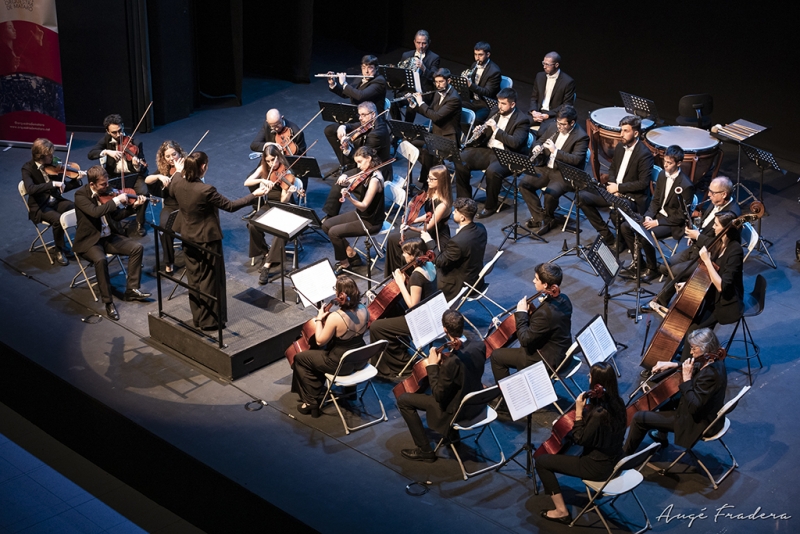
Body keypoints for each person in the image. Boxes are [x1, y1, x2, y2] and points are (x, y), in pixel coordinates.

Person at [170, 151, 265, 330]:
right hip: (206, 239)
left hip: (187, 236)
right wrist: (255, 195)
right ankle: (209, 322)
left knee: (194, 278)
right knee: (209, 279)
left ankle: (198, 318)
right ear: (203, 167)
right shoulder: (205, 190)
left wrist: (178, 170)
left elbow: (174, 180)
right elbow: (230, 206)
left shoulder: (177, 182)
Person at [535, 362, 626, 524]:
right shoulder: (618, 403)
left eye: (590, 375)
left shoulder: (599, 414)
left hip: (597, 467)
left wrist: (578, 412)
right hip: (617, 461)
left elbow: (579, 438)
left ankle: (561, 511)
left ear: (598, 384)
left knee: (542, 462)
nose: (588, 377)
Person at [397, 310, 486, 462]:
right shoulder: (479, 346)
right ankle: (453, 437)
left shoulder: (452, 362)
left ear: (445, 329)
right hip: (476, 405)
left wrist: (432, 366)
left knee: (404, 399)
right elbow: (464, 373)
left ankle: (425, 450)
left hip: (457, 411)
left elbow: (438, 395)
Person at [623, 328, 728, 456]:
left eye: (694, 348)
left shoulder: (710, 375)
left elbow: (694, 406)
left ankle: (623, 456)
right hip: (704, 412)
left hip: (696, 423)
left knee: (639, 418)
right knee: (667, 397)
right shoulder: (714, 361)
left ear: (705, 348)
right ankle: (661, 436)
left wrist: (687, 379)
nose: (690, 352)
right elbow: (697, 366)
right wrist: (673, 365)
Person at [649, 176, 740, 313]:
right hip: (697, 246)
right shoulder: (715, 202)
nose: (708, 194)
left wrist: (698, 236)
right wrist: (695, 233)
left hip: (709, 255)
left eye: (712, 192)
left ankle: (661, 302)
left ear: (724, 194)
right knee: (664, 266)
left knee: (675, 271)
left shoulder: (730, 214)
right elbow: (706, 226)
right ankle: (683, 290)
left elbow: (719, 244)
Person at [72, 166, 151, 321]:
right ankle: (108, 303)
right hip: (90, 241)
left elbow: (116, 216)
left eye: (107, 183)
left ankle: (132, 289)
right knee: (101, 260)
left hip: (107, 237)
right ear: (92, 184)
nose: (106, 187)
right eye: (102, 184)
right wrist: (116, 201)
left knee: (136, 248)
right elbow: (95, 212)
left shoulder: (108, 192)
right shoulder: (81, 195)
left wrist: (132, 208)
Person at [291, 275, 369, 417]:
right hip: (359, 359)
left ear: (340, 295)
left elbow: (320, 341)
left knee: (301, 358)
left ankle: (310, 402)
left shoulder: (336, 317)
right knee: (329, 350)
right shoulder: (364, 308)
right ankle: (350, 394)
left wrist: (320, 319)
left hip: (340, 364)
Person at [618, 145, 694, 283]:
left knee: (644, 235)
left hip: (672, 223)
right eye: (665, 161)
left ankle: (652, 269)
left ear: (679, 163)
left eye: (669, 163)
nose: (665, 165)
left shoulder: (686, 185)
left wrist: (657, 222)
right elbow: (656, 200)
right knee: (625, 226)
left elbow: (681, 216)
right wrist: (648, 215)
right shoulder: (661, 175)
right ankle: (639, 263)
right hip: (657, 216)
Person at [490, 263, 573, 388]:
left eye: (537, 279)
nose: (533, 281)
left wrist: (522, 313)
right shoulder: (564, 299)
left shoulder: (545, 313)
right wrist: (533, 313)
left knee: (496, 356)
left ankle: (508, 399)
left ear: (545, 285)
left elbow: (524, 339)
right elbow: (548, 325)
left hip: (545, 361)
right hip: (562, 354)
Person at [453, 87, 531, 218]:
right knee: (461, 159)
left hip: (508, 155)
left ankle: (490, 206)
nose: (499, 106)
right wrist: (480, 134)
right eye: (499, 102)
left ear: (513, 104)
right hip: (489, 150)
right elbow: (487, 136)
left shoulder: (522, 120)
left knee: (492, 171)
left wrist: (496, 130)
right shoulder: (495, 111)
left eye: (503, 103)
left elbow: (515, 143)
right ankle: (465, 201)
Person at [577, 115, 653, 246]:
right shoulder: (619, 147)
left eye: (625, 131)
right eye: (621, 130)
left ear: (635, 133)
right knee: (582, 197)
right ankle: (607, 236)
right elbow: (612, 169)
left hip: (632, 197)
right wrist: (613, 185)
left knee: (615, 211)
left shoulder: (644, 154)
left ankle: (621, 241)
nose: (621, 134)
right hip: (614, 190)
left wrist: (619, 188)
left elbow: (643, 183)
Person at [677, 211, 744, 359]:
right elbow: (706, 274)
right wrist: (688, 285)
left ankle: (687, 366)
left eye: (716, 224)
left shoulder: (735, 251)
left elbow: (722, 286)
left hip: (726, 302)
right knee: (690, 325)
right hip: (711, 296)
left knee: (694, 332)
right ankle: (687, 360)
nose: (713, 227)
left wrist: (707, 261)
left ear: (726, 229)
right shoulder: (718, 242)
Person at [369, 239, 438, 377]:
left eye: (406, 253)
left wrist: (400, 283)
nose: (403, 256)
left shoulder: (416, 276)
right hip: (430, 313)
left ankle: (394, 364)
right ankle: (396, 349)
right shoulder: (430, 264)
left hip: (419, 320)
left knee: (376, 326)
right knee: (391, 309)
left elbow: (413, 305)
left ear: (414, 255)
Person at [519, 105, 589, 236]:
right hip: (546, 167)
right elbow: (539, 140)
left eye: (563, 124)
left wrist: (555, 151)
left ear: (572, 123)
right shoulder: (552, 126)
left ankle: (547, 218)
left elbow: (576, 160)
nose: (559, 127)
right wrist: (537, 147)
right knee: (524, 184)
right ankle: (542, 218)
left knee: (550, 194)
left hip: (564, 173)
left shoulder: (581, 137)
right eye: (558, 123)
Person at [321, 101, 392, 219]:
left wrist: (348, 148)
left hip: (377, 169)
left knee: (340, 182)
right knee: (331, 129)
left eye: (364, 115)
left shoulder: (377, 134)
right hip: (366, 163)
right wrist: (343, 126)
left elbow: (363, 156)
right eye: (359, 115)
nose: (361, 118)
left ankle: (329, 216)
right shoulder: (371, 122)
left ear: (373, 114)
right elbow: (355, 126)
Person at [244, 145, 304, 284]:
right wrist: (262, 180)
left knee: (279, 232)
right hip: (269, 206)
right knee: (252, 225)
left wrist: (289, 191)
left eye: (273, 160)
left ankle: (268, 264)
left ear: (279, 156)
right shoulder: (264, 169)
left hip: (285, 207)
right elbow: (247, 182)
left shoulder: (287, 172)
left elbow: (284, 200)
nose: (272, 164)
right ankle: (266, 252)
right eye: (268, 161)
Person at [321, 146, 385, 273]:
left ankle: (344, 264)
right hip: (361, 215)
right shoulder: (367, 172)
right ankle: (351, 254)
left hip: (371, 222)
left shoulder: (375, 179)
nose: (359, 166)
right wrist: (346, 181)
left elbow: (364, 205)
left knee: (334, 232)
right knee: (326, 225)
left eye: (360, 162)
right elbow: (353, 178)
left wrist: (349, 197)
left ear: (369, 158)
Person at [21, 138, 84, 266]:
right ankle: (59, 249)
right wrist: (52, 184)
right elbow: (31, 189)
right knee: (58, 219)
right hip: (40, 206)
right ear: (41, 157)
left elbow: (63, 187)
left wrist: (77, 180)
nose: (53, 157)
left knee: (76, 209)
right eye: (50, 155)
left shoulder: (54, 165)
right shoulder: (27, 169)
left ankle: (82, 242)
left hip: (55, 201)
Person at [383, 164, 452, 277]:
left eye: (431, 178)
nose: (427, 180)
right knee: (392, 239)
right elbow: (428, 215)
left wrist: (409, 227)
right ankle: (394, 275)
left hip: (435, 235)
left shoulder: (443, 204)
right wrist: (411, 220)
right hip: (426, 230)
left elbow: (428, 226)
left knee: (400, 243)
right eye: (428, 177)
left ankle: (407, 275)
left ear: (440, 181)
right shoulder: (431, 192)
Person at [87, 114, 150, 237]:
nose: (118, 135)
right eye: (114, 132)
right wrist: (106, 151)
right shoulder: (106, 140)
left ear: (122, 127)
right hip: (113, 176)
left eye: (120, 131)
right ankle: (115, 224)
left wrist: (136, 164)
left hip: (133, 175)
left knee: (143, 192)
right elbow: (91, 154)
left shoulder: (135, 142)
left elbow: (142, 168)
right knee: (103, 195)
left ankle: (140, 222)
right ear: (108, 131)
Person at [323, 55, 387, 171]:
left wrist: (345, 84)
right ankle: (347, 163)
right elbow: (347, 93)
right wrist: (334, 84)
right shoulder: (360, 78)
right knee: (330, 130)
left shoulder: (379, 82)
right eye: (364, 67)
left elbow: (360, 95)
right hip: (358, 118)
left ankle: (352, 162)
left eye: (370, 67)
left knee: (349, 135)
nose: (366, 71)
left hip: (371, 122)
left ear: (376, 68)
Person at [422, 197, 487, 302]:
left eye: (455, 211)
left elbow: (439, 261)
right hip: (475, 278)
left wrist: (429, 241)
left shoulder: (457, 242)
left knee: (423, 273)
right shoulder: (481, 228)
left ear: (462, 217)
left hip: (459, 284)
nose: (452, 213)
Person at [410, 68, 462, 183]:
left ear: (449, 81)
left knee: (427, 151)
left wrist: (421, 102)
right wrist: (414, 105)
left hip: (448, 137)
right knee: (411, 143)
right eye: (436, 82)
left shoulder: (454, 98)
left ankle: (427, 182)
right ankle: (436, 171)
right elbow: (430, 112)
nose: (438, 85)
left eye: (441, 82)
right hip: (436, 133)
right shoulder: (439, 93)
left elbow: (436, 116)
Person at [144, 140, 187, 273]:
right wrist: (158, 176)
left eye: (174, 154)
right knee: (164, 227)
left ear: (179, 152)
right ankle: (169, 262)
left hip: (186, 206)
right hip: (170, 206)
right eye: (167, 156)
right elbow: (147, 180)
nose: (171, 159)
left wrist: (180, 173)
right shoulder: (164, 170)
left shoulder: (188, 166)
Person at [391, 29, 441, 123]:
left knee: (411, 105)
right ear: (414, 42)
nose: (421, 46)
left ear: (429, 43)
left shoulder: (434, 58)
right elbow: (400, 75)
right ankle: (398, 127)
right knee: (393, 103)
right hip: (407, 90)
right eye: (418, 43)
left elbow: (434, 77)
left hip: (423, 93)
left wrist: (424, 68)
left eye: (424, 43)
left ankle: (407, 130)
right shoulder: (406, 55)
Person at [529, 52, 576, 133]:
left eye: (547, 64)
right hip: (538, 111)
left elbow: (567, 105)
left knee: (541, 133)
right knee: (519, 124)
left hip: (553, 115)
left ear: (556, 65)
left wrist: (548, 115)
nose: (544, 66)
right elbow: (534, 97)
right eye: (543, 63)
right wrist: (534, 111)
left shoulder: (568, 82)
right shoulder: (539, 76)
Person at [461, 41, 501, 124]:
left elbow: (488, 92)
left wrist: (470, 85)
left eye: (480, 55)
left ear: (488, 55)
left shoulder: (494, 71)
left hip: (485, 104)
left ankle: (472, 136)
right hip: (473, 101)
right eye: (475, 54)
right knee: (454, 106)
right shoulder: (474, 65)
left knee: (477, 119)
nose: (477, 58)